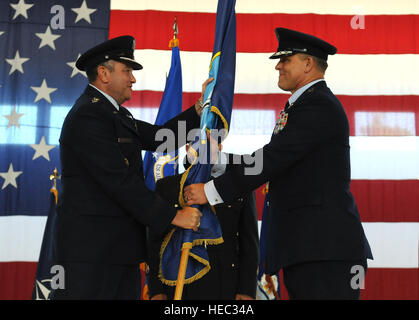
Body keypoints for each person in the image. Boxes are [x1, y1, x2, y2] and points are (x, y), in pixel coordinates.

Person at [184, 28, 373, 300]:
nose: (278, 66)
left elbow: (272, 160)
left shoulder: (317, 106)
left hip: (325, 251)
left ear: (308, 63)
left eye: (286, 60)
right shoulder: (304, 105)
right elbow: (276, 158)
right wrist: (218, 160)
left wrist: (211, 191)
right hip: (310, 248)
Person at [50, 35, 209, 299]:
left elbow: (161, 139)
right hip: (91, 255)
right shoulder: (88, 116)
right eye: (127, 71)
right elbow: (119, 181)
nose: (133, 79)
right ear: (103, 73)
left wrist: (199, 108)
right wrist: (172, 215)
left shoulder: (115, 114)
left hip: (116, 250)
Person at [147, 135, 259, 300]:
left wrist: (247, 289)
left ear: (220, 148)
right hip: (179, 282)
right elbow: (155, 242)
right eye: (197, 143)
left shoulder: (237, 186)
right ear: (187, 149)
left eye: (210, 143)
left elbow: (249, 241)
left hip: (226, 283)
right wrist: (156, 290)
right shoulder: (167, 187)